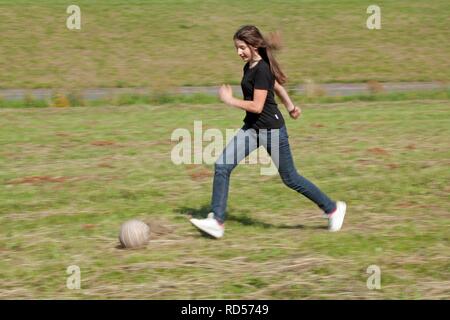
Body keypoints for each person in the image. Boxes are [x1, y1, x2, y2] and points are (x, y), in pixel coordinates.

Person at [190, 25, 346, 238]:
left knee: (290, 178)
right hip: (252, 129)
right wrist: (291, 107)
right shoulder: (251, 67)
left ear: (254, 46)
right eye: (237, 48)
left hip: (272, 132)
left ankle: (333, 209)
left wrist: (230, 100)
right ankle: (216, 221)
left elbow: (257, 106)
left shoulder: (261, 69)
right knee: (222, 165)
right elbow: (277, 87)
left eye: (242, 47)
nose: (239, 52)